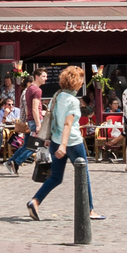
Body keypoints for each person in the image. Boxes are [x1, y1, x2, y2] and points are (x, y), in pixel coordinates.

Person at [27, 66, 100, 222]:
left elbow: (52, 118)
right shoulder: (73, 101)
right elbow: (68, 124)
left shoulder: (57, 96)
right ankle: (89, 210)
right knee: (83, 175)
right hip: (72, 142)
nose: (82, 84)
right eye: (81, 81)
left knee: (55, 177)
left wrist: (56, 142)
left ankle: (35, 201)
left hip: (55, 140)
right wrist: (64, 146)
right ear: (76, 82)